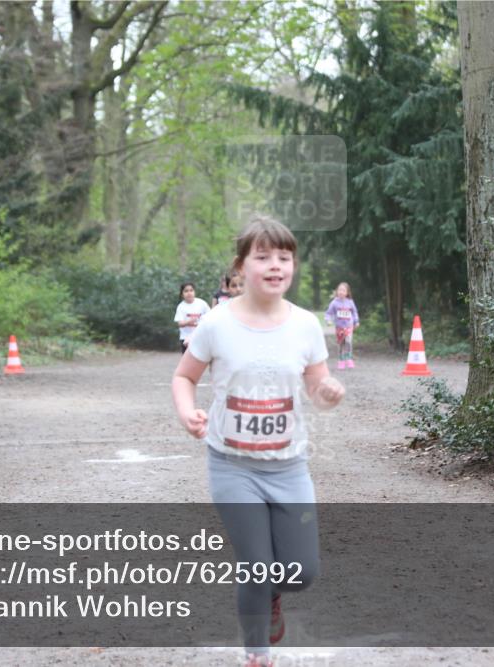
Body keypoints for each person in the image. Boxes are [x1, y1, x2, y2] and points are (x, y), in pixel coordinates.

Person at [171, 216, 345, 667]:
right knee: (255, 564)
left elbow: (317, 385)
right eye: (263, 257)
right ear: (241, 267)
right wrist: (188, 412)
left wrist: (326, 392)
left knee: (301, 573)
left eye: (284, 257)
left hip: (289, 466)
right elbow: (184, 377)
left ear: (293, 266)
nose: (275, 266)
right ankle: (257, 653)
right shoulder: (216, 323)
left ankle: (271, 595)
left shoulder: (305, 325)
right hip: (232, 465)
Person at [324, 282, 360, 369]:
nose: (341, 292)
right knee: (341, 344)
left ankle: (348, 358)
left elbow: (354, 312)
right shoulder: (334, 303)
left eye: (343, 290)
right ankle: (341, 360)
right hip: (339, 327)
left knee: (348, 342)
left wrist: (356, 321)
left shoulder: (350, 302)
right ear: (337, 291)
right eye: (339, 290)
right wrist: (328, 320)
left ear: (347, 292)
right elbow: (328, 313)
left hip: (349, 326)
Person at [174, 282, 210, 354]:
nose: (189, 293)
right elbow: (180, 323)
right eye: (186, 291)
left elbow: (210, 317)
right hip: (185, 338)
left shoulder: (202, 303)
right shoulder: (181, 307)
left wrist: (202, 323)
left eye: (191, 290)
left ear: (194, 292)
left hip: (201, 337)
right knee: (187, 358)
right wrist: (189, 322)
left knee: (201, 358)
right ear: (182, 294)